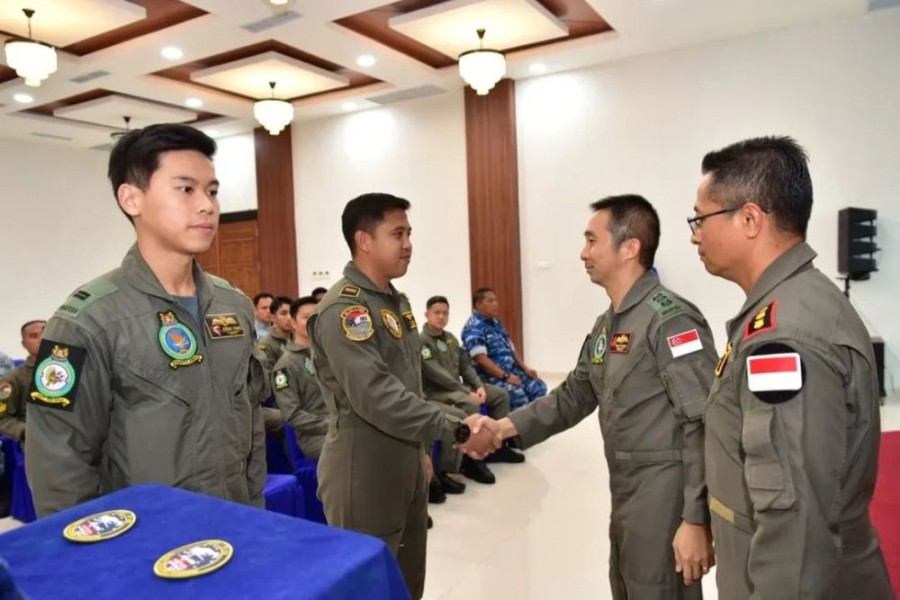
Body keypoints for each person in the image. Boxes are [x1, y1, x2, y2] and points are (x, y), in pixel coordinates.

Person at [25, 123, 267, 517]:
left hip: (236, 523)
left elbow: (251, 425)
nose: (207, 205)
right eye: (186, 189)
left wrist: (256, 512)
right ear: (131, 199)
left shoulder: (233, 305)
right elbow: (58, 462)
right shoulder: (87, 319)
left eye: (212, 191)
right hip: (145, 541)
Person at [482, 195, 717, 599]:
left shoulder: (671, 319)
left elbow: (704, 422)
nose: (583, 252)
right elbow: (575, 393)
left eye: (592, 240)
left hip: (665, 498)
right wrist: (501, 428)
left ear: (630, 248)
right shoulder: (608, 324)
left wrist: (696, 519)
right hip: (626, 491)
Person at [690, 136, 892, 599]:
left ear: (749, 219)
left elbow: (796, 526)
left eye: (700, 218)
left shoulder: (785, 338)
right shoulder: (794, 304)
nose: (694, 234)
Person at [308, 192, 499, 600]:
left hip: (405, 460)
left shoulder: (396, 303)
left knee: (407, 583)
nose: (408, 243)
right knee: (368, 588)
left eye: (409, 232)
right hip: (365, 468)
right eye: (397, 233)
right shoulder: (345, 311)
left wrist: (421, 453)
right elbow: (378, 397)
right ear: (364, 240)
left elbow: (409, 386)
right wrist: (458, 429)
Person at [420, 295, 520, 490]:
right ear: (427, 314)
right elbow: (438, 375)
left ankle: (498, 445)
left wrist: (478, 386)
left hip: (457, 388)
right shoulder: (421, 341)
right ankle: (462, 462)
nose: (441, 317)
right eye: (436, 313)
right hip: (437, 392)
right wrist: (467, 391)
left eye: (445, 313)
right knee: (470, 404)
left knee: (500, 395)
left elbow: (465, 367)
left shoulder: (450, 339)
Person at [461, 288, 547, 409]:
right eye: (490, 301)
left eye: (495, 300)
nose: (495, 304)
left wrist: (525, 368)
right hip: (488, 377)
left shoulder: (496, 323)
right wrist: (505, 377)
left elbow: (510, 348)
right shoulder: (474, 327)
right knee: (517, 394)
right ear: (479, 305)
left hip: (510, 371)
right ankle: (516, 426)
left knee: (539, 387)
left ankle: (534, 424)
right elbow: (480, 359)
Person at [272, 296, 328, 460]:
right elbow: (293, 414)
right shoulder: (285, 366)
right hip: (315, 437)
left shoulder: (327, 355)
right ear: (293, 323)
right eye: (306, 317)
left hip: (341, 428)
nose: (312, 321)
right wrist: (329, 425)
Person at [0, 320, 45, 442]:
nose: (41, 339)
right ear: (24, 344)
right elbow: (2, 419)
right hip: (37, 446)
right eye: (33, 336)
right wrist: (26, 432)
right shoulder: (13, 378)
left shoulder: (71, 372)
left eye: (45, 334)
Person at [258, 295, 293, 368]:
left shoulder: (298, 339)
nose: (289, 318)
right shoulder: (266, 345)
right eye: (284, 313)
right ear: (273, 317)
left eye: (292, 313)